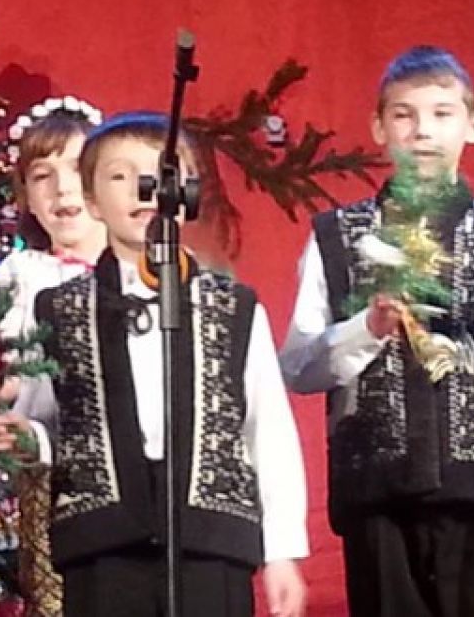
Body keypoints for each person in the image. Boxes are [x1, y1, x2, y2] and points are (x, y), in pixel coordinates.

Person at [39, 111, 308, 617]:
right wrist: (20, 435)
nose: (143, 191)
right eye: (120, 176)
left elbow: (268, 431)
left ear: (187, 193)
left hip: (211, 541)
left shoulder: (233, 308)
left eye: (159, 175)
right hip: (104, 545)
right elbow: (42, 419)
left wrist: (282, 552)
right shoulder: (58, 309)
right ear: (92, 200)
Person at [280, 45, 474, 616]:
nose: (422, 130)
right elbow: (299, 367)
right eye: (404, 115)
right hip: (377, 495)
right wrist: (366, 327)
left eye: (442, 114)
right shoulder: (338, 235)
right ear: (379, 128)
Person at [0, 96, 106, 616]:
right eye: (41, 176)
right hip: (46, 477)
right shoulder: (21, 275)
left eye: (75, 168)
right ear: (26, 197)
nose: (61, 188)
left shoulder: (144, 271)